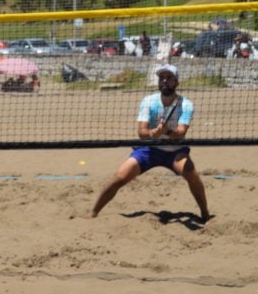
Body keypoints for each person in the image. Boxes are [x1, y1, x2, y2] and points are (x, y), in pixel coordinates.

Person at [90, 64, 210, 221]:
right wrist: (154, 133)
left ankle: (205, 214)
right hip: (149, 149)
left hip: (175, 151)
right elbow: (141, 132)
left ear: (177, 82)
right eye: (162, 78)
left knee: (191, 174)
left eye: (169, 78)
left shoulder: (186, 104)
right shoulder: (148, 101)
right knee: (119, 177)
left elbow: (181, 134)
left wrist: (166, 131)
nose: (165, 81)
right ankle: (93, 213)